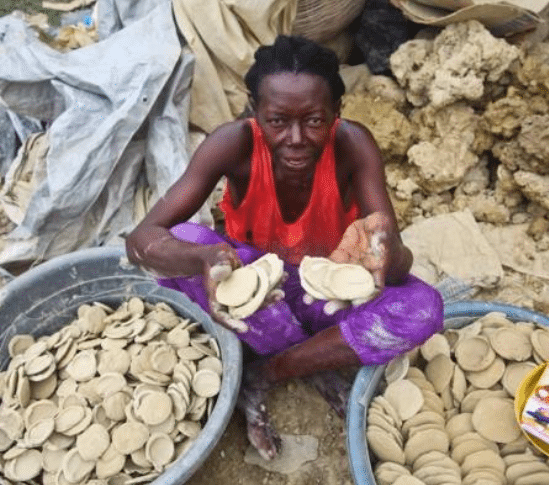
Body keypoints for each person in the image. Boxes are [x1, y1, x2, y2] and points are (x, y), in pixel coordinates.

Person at [126, 35, 443, 460]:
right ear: (255, 111)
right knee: (187, 239)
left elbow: (397, 264)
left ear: (336, 114)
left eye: (314, 121)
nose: (295, 138)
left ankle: (270, 370)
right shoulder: (231, 144)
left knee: (424, 307)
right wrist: (205, 260)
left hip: (326, 290)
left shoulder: (354, 146)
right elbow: (141, 240)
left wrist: (386, 254)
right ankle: (316, 356)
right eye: (277, 121)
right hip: (261, 290)